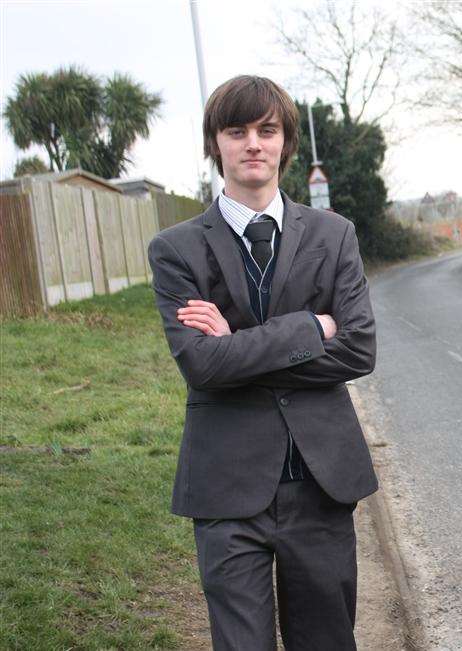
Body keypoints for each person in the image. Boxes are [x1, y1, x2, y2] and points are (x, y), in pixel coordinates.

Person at [147, 75, 377, 650]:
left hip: (320, 482)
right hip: (227, 490)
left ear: (285, 144)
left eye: (266, 130)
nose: (253, 142)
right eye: (237, 130)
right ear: (215, 144)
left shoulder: (335, 234)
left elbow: (358, 349)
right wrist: (308, 328)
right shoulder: (175, 249)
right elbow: (201, 365)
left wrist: (237, 349)